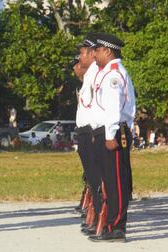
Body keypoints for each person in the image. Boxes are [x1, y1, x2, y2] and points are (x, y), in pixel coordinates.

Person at [88, 33, 136, 242]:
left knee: (116, 181)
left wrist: (109, 136)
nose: (94, 54)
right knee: (108, 180)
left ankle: (116, 227)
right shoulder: (105, 72)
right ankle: (110, 225)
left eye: (97, 50)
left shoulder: (114, 74)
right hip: (106, 131)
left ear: (107, 51)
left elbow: (114, 108)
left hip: (114, 132)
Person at [73, 33, 103, 236]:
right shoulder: (90, 74)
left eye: (82, 53)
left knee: (96, 178)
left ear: (92, 54)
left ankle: (101, 216)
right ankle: (95, 215)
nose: (79, 57)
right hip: (84, 131)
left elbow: (95, 108)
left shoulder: (96, 74)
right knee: (92, 178)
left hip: (92, 131)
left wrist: (93, 132)